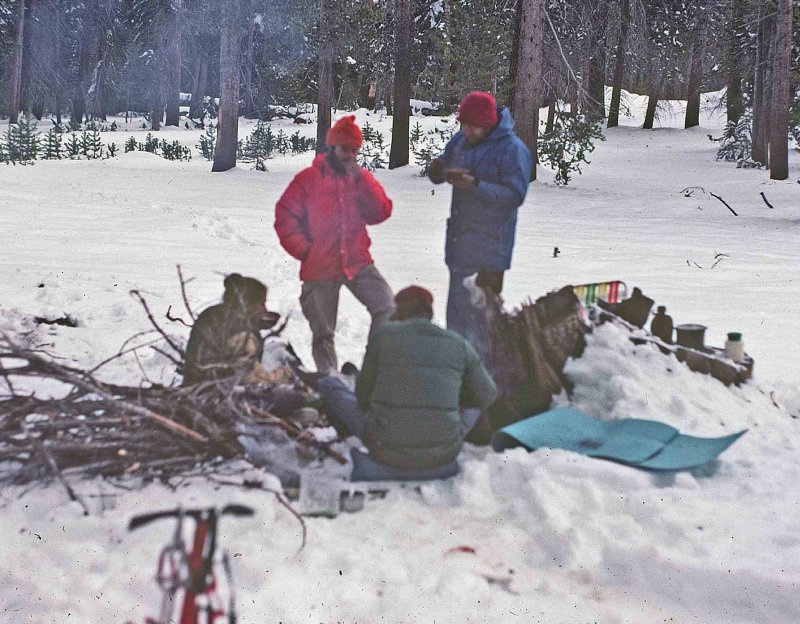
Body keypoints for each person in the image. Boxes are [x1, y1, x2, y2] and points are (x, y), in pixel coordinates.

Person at [318, 286, 498, 480]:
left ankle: (355, 446)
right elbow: (487, 394)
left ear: (400, 310)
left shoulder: (384, 336)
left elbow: (362, 396)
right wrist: (454, 402)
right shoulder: (458, 342)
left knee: (329, 384)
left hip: (385, 449)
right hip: (443, 454)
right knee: (474, 403)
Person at [275, 115, 395, 375]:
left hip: (357, 262)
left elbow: (382, 211)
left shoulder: (359, 180)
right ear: (332, 147)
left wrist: (363, 180)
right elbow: (284, 216)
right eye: (344, 149)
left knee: (387, 306)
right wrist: (306, 251)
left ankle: (372, 373)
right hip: (320, 267)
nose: (349, 155)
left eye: (354, 150)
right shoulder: (308, 179)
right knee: (323, 332)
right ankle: (331, 382)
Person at [428, 91, 533, 369]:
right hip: (460, 246)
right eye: (464, 124)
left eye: (473, 126)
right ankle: (455, 379)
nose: (467, 130)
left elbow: (515, 195)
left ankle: (483, 390)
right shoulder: (461, 141)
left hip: (489, 253)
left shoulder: (512, 149)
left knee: (481, 327)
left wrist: (475, 185)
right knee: (457, 323)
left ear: (488, 123)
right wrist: (438, 170)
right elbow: (442, 166)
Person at [183, 273, 282, 386]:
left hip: (194, 386)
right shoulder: (243, 334)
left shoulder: (212, 314)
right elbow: (246, 374)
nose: (265, 309)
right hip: (219, 392)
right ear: (248, 305)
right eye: (262, 304)